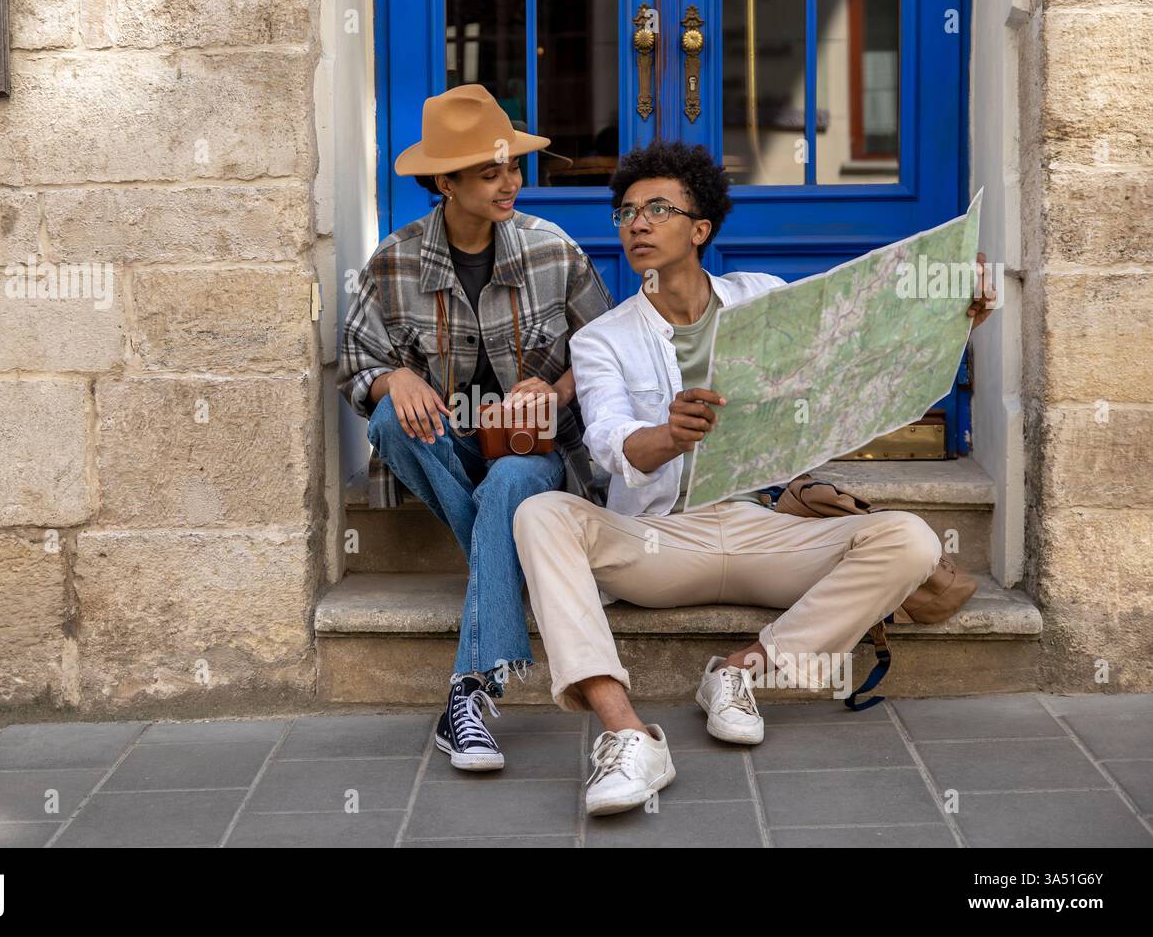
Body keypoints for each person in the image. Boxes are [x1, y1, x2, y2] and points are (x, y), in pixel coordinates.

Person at [513, 139, 996, 814]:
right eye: (626, 212)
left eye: (658, 209)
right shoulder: (603, 339)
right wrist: (665, 435)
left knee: (911, 539)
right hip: (660, 543)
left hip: (762, 530)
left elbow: (857, 355)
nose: (637, 224)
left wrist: (952, 311)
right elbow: (609, 444)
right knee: (540, 514)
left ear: (700, 227)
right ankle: (627, 735)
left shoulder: (762, 298)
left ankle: (741, 673)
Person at [337, 84, 613, 771]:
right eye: (491, 173)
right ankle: (508, 565)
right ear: (445, 182)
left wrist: (551, 393)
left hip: (535, 453)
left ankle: (468, 693)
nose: (510, 183)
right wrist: (390, 378)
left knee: (515, 478)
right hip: (450, 450)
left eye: (512, 168)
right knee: (392, 422)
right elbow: (353, 363)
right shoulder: (394, 262)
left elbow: (607, 351)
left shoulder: (552, 251)